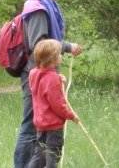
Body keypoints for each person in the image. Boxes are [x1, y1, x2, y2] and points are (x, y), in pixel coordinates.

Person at [13, 0, 83, 168]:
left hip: (46, 75)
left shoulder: (47, 3)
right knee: (30, 127)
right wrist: (67, 46)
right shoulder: (37, 8)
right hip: (35, 75)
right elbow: (39, 45)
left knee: (38, 129)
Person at [28, 39, 80, 168]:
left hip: (41, 123)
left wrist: (57, 78)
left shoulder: (34, 74)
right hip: (53, 125)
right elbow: (57, 105)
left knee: (40, 154)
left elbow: (44, 85)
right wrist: (71, 115)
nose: (61, 56)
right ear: (52, 59)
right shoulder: (51, 78)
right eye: (58, 54)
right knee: (53, 155)